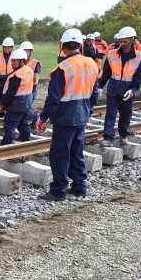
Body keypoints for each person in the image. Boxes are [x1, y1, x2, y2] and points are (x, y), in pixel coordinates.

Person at [37, 28, 98, 201]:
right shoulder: (92, 64)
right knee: (76, 152)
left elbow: (54, 98)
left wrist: (43, 117)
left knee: (60, 154)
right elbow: (94, 94)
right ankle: (79, 186)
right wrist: (89, 110)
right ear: (80, 45)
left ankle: (58, 191)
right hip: (82, 116)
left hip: (65, 118)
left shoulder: (62, 68)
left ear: (63, 46)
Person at [98, 26, 141, 147]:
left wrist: (133, 89)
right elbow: (106, 72)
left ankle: (123, 136)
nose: (122, 44)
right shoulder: (111, 54)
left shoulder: (139, 56)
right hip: (113, 88)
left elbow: (138, 77)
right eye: (121, 41)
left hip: (128, 89)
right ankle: (108, 138)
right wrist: (100, 86)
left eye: (125, 41)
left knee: (126, 114)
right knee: (110, 113)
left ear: (132, 40)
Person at [0, 49, 33, 145]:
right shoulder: (28, 70)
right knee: (23, 125)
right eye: (12, 60)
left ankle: (6, 145)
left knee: (9, 126)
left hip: (16, 106)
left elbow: (11, 94)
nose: (12, 63)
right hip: (26, 104)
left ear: (22, 61)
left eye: (14, 61)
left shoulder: (17, 75)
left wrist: (1, 104)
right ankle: (27, 142)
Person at [20, 41, 41, 127]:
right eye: (23, 51)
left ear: (30, 52)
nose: (24, 53)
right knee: (21, 109)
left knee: (24, 109)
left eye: (26, 51)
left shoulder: (35, 63)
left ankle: (36, 117)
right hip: (21, 89)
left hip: (31, 89)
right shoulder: (20, 62)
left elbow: (35, 78)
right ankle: (25, 123)